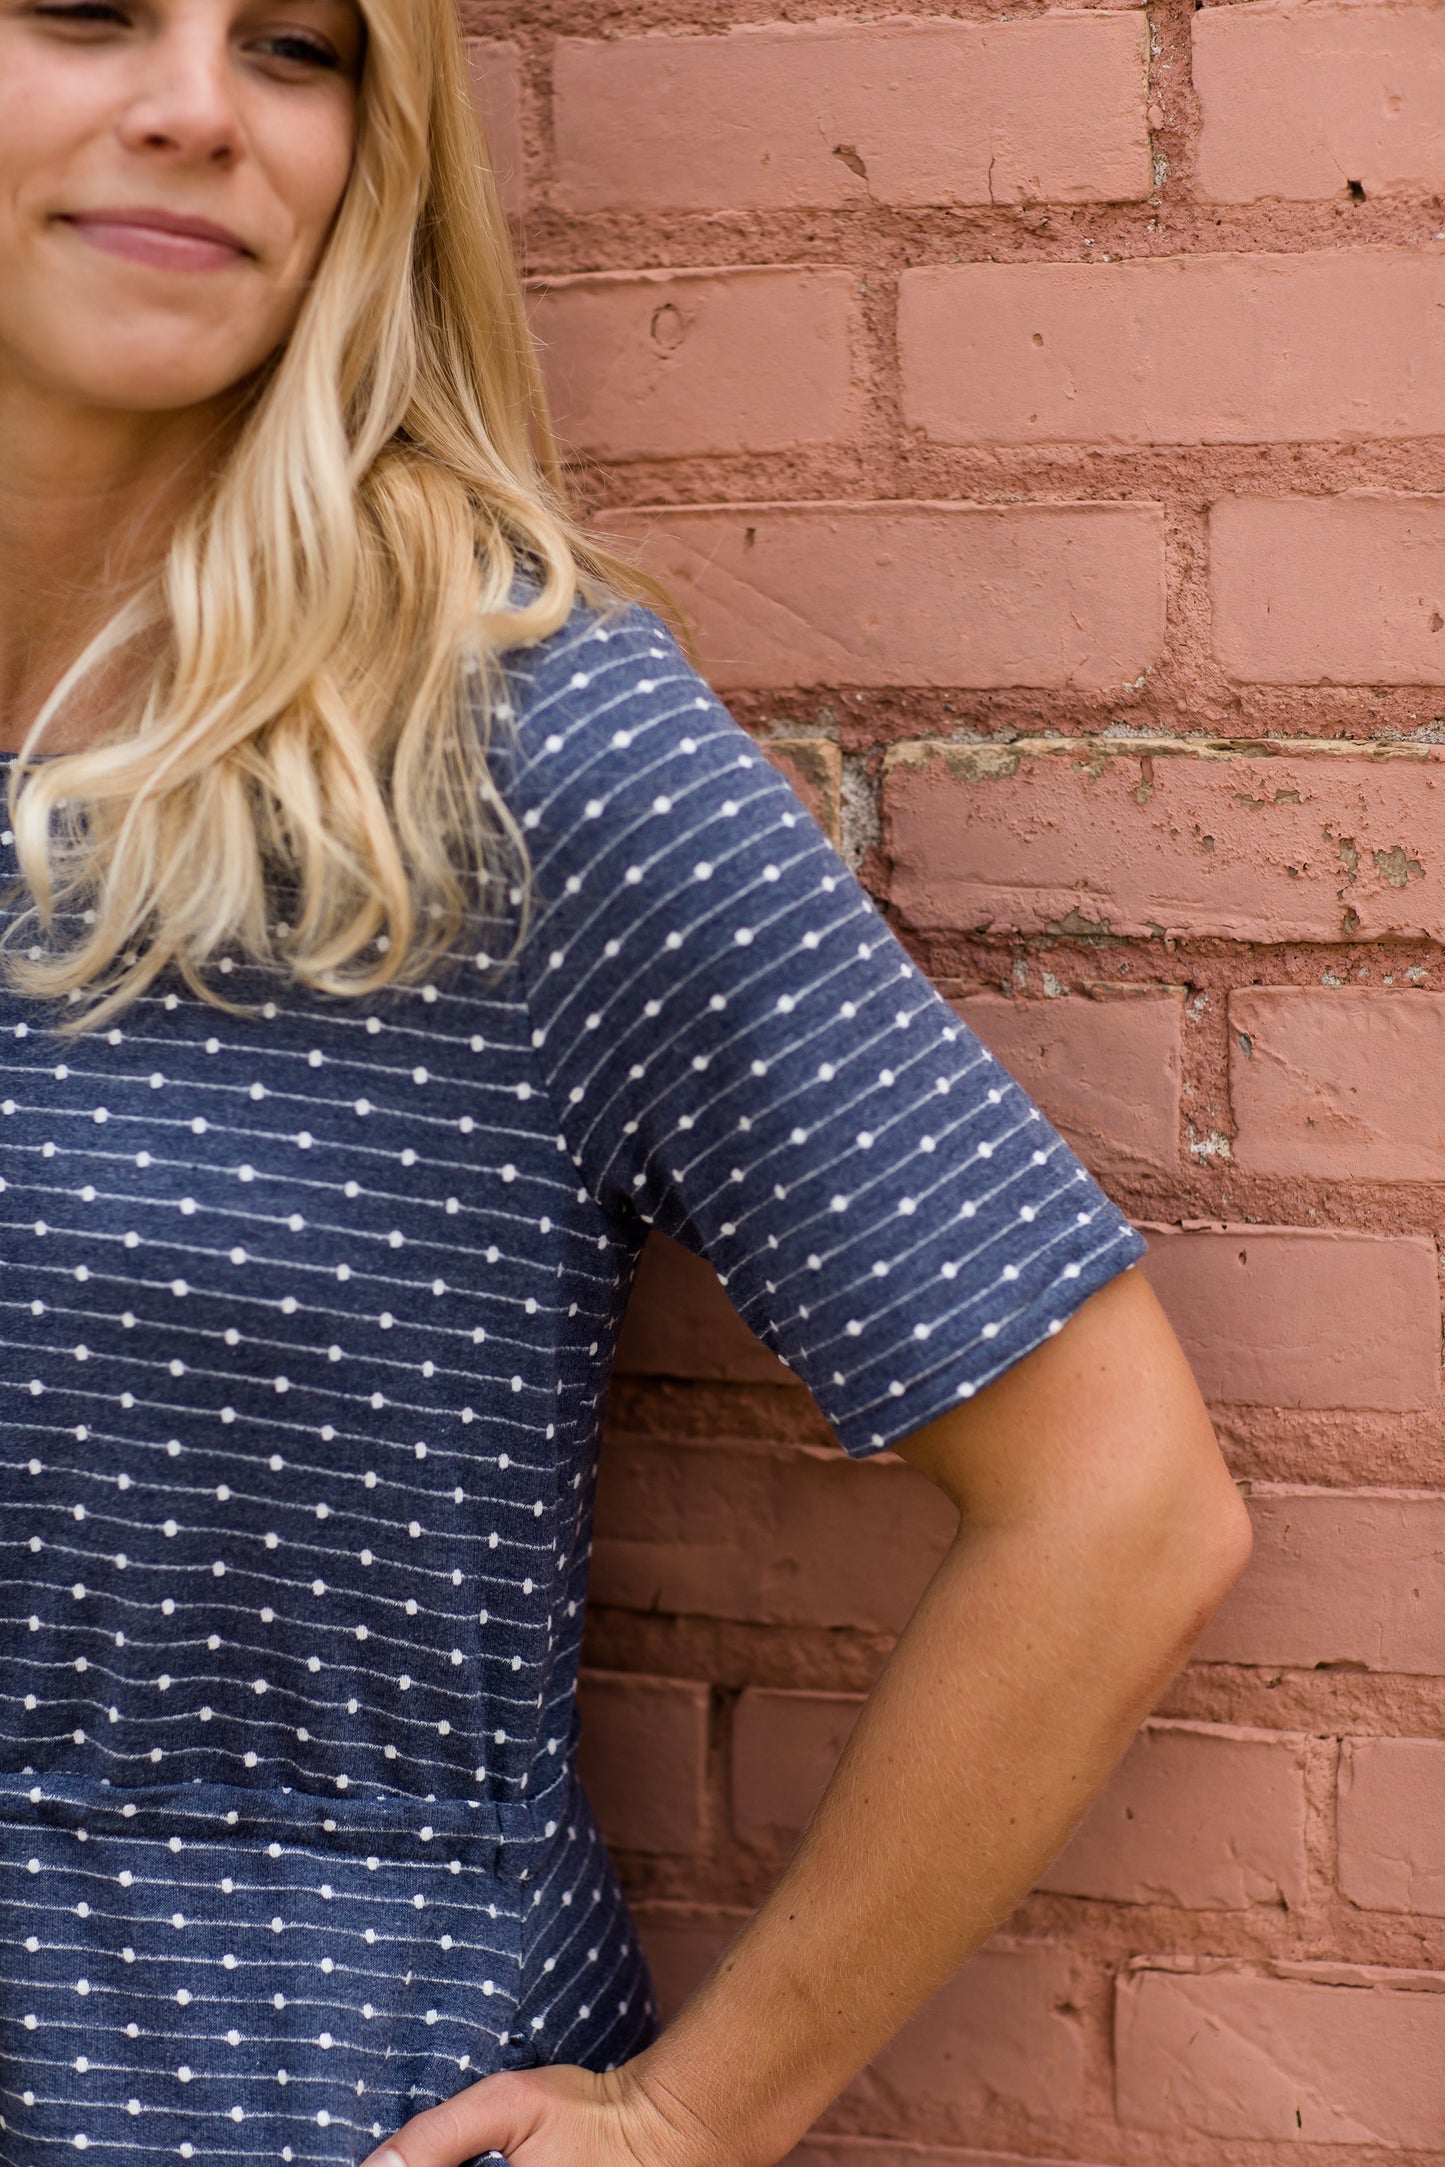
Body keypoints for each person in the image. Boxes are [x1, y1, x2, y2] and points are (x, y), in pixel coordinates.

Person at [0, 0, 1253, 2161]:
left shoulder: (517, 748)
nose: (194, 106)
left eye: (297, 45)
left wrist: (689, 2117)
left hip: (256, 2087)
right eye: (87, 12)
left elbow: (1121, 1503)